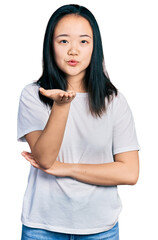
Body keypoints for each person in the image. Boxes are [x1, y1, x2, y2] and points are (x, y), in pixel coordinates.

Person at [17, 4, 140, 240]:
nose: (73, 50)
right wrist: (62, 105)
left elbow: (129, 172)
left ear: (95, 47)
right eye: (63, 41)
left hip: (100, 229)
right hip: (43, 227)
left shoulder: (113, 100)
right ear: (50, 46)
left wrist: (65, 169)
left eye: (83, 41)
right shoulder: (34, 94)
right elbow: (44, 158)